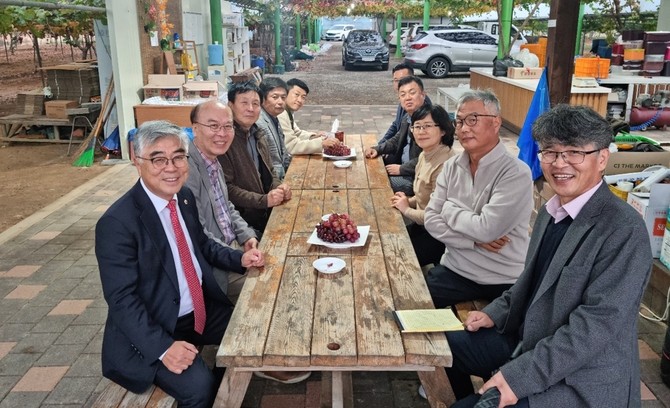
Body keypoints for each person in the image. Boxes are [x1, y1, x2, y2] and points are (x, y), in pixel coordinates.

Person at [445, 104, 652, 407]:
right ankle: (472, 395)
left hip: (580, 377)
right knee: (442, 347)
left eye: (574, 153)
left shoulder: (623, 229)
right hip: (529, 341)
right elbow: (532, 283)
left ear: (602, 158)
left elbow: (594, 328)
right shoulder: (550, 211)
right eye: (550, 152)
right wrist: (496, 312)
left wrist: (518, 378)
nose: (559, 163)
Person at [95, 120, 264, 407]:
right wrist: (163, 348)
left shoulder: (182, 197)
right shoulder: (117, 223)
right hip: (155, 327)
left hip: (197, 312)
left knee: (253, 330)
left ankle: (227, 386)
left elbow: (202, 244)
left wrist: (240, 258)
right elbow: (121, 299)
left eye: (178, 157)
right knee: (199, 389)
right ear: (137, 160)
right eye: (158, 159)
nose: (171, 168)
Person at [424, 90, 533, 308]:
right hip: (456, 269)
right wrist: (472, 241)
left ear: (496, 122)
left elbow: (486, 230)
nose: (464, 128)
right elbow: (430, 219)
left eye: (473, 119)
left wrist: (448, 209)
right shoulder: (452, 166)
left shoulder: (515, 173)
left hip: (504, 278)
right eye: (459, 121)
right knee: (411, 306)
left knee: (501, 328)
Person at [186, 100, 262, 300]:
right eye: (213, 126)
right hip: (217, 266)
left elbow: (225, 205)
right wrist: (238, 257)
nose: (222, 133)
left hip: (234, 248)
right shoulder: (186, 171)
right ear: (195, 129)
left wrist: (246, 235)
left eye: (228, 126)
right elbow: (199, 236)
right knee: (272, 283)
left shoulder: (212, 160)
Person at [219, 81, 292, 234]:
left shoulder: (258, 133)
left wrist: (278, 187)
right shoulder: (224, 140)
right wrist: (264, 200)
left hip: (265, 213)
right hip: (243, 224)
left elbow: (271, 170)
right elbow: (226, 188)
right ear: (230, 105)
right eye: (244, 103)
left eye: (255, 103)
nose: (250, 109)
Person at [390, 104, 455, 267]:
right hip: (423, 226)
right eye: (417, 126)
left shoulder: (445, 165)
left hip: (438, 236)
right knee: (388, 241)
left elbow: (437, 216)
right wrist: (407, 201)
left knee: (395, 260)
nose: (421, 131)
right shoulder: (425, 154)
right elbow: (423, 197)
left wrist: (406, 209)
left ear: (443, 130)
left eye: (427, 126)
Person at [364, 76, 430, 195]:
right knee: (368, 169)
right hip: (402, 167)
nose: (407, 98)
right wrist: (377, 149)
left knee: (376, 182)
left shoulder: (429, 122)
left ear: (423, 95)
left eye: (412, 93)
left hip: (416, 178)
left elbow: (429, 157)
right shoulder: (408, 117)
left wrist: (401, 169)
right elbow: (396, 140)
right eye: (403, 94)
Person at [279, 78, 341, 155]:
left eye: (303, 97)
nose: (299, 100)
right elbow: (292, 146)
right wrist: (321, 144)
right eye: (296, 95)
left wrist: (314, 136)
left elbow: (297, 133)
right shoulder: (280, 114)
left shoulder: (288, 111)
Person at [380, 63, 432, 143]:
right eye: (396, 80)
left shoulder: (420, 106)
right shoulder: (403, 99)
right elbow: (396, 125)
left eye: (403, 79)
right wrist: (380, 144)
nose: (399, 83)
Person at [256, 77, 291, 179]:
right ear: (262, 99)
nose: (280, 102)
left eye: (283, 97)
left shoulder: (274, 116)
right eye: (275, 97)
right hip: (271, 180)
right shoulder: (260, 123)